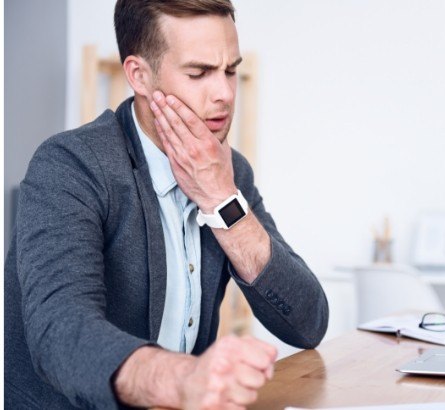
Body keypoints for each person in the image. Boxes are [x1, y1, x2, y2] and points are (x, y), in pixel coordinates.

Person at [4, 0, 329, 408]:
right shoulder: (69, 165)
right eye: (199, 73)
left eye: (231, 70)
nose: (225, 93)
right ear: (139, 75)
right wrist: (186, 378)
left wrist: (222, 201)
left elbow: (308, 323)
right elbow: (62, 333)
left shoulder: (227, 171)